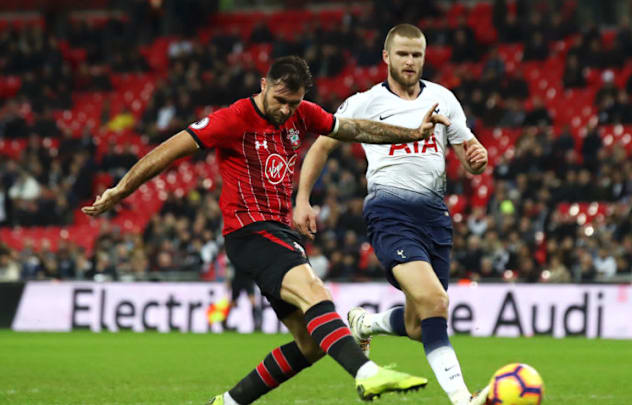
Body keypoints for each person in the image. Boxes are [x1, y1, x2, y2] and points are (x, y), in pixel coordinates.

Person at [83, 56, 451, 404]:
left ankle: (228, 401)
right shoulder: (234, 118)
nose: (286, 110)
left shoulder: (302, 115)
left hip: (278, 231)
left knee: (309, 344)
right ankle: (367, 372)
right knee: (313, 291)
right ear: (264, 85)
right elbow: (169, 150)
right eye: (280, 100)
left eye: (294, 102)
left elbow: (353, 128)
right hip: (249, 231)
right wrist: (121, 189)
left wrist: (410, 133)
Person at [294, 25, 489, 405]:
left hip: (435, 218)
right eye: (403, 54)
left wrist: (476, 160)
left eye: (417, 55)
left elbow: (468, 151)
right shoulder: (365, 103)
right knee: (436, 303)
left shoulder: (443, 99)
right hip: (389, 213)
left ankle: (367, 324)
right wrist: (302, 199)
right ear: (386, 57)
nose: (410, 61)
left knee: (420, 325)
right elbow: (321, 147)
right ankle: (463, 399)